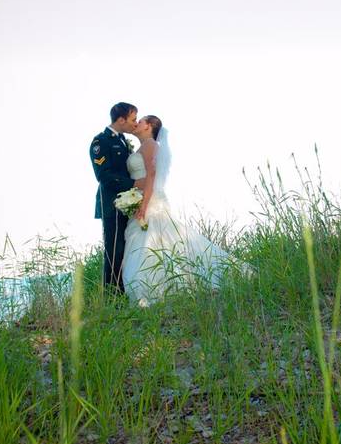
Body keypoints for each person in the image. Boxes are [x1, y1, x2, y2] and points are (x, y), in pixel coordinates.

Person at [122, 115, 251, 306]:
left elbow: (152, 175)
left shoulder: (150, 144)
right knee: (154, 243)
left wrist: (143, 204)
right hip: (140, 198)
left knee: (150, 243)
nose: (137, 123)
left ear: (149, 126)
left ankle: (149, 290)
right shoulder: (140, 146)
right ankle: (151, 289)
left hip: (148, 201)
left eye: (140, 121)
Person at [90, 102, 139, 293]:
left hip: (129, 203)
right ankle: (112, 297)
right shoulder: (101, 142)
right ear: (121, 120)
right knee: (114, 251)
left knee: (126, 249)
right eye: (133, 119)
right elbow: (104, 175)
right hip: (111, 204)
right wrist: (134, 185)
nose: (135, 123)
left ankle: (126, 292)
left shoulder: (122, 140)